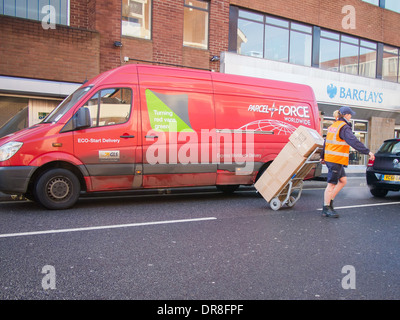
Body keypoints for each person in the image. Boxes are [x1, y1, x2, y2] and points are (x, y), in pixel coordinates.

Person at [320, 106, 375, 218]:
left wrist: (323, 156)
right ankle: (326, 208)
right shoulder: (344, 127)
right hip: (335, 159)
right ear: (345, 115)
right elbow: (353, 141)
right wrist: (367, 152)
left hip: (333, 158)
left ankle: (329, 202)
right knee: (331, 184)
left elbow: (326, 142)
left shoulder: (333, 126)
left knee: (343, 180)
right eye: (350, 114)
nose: (350, 116)